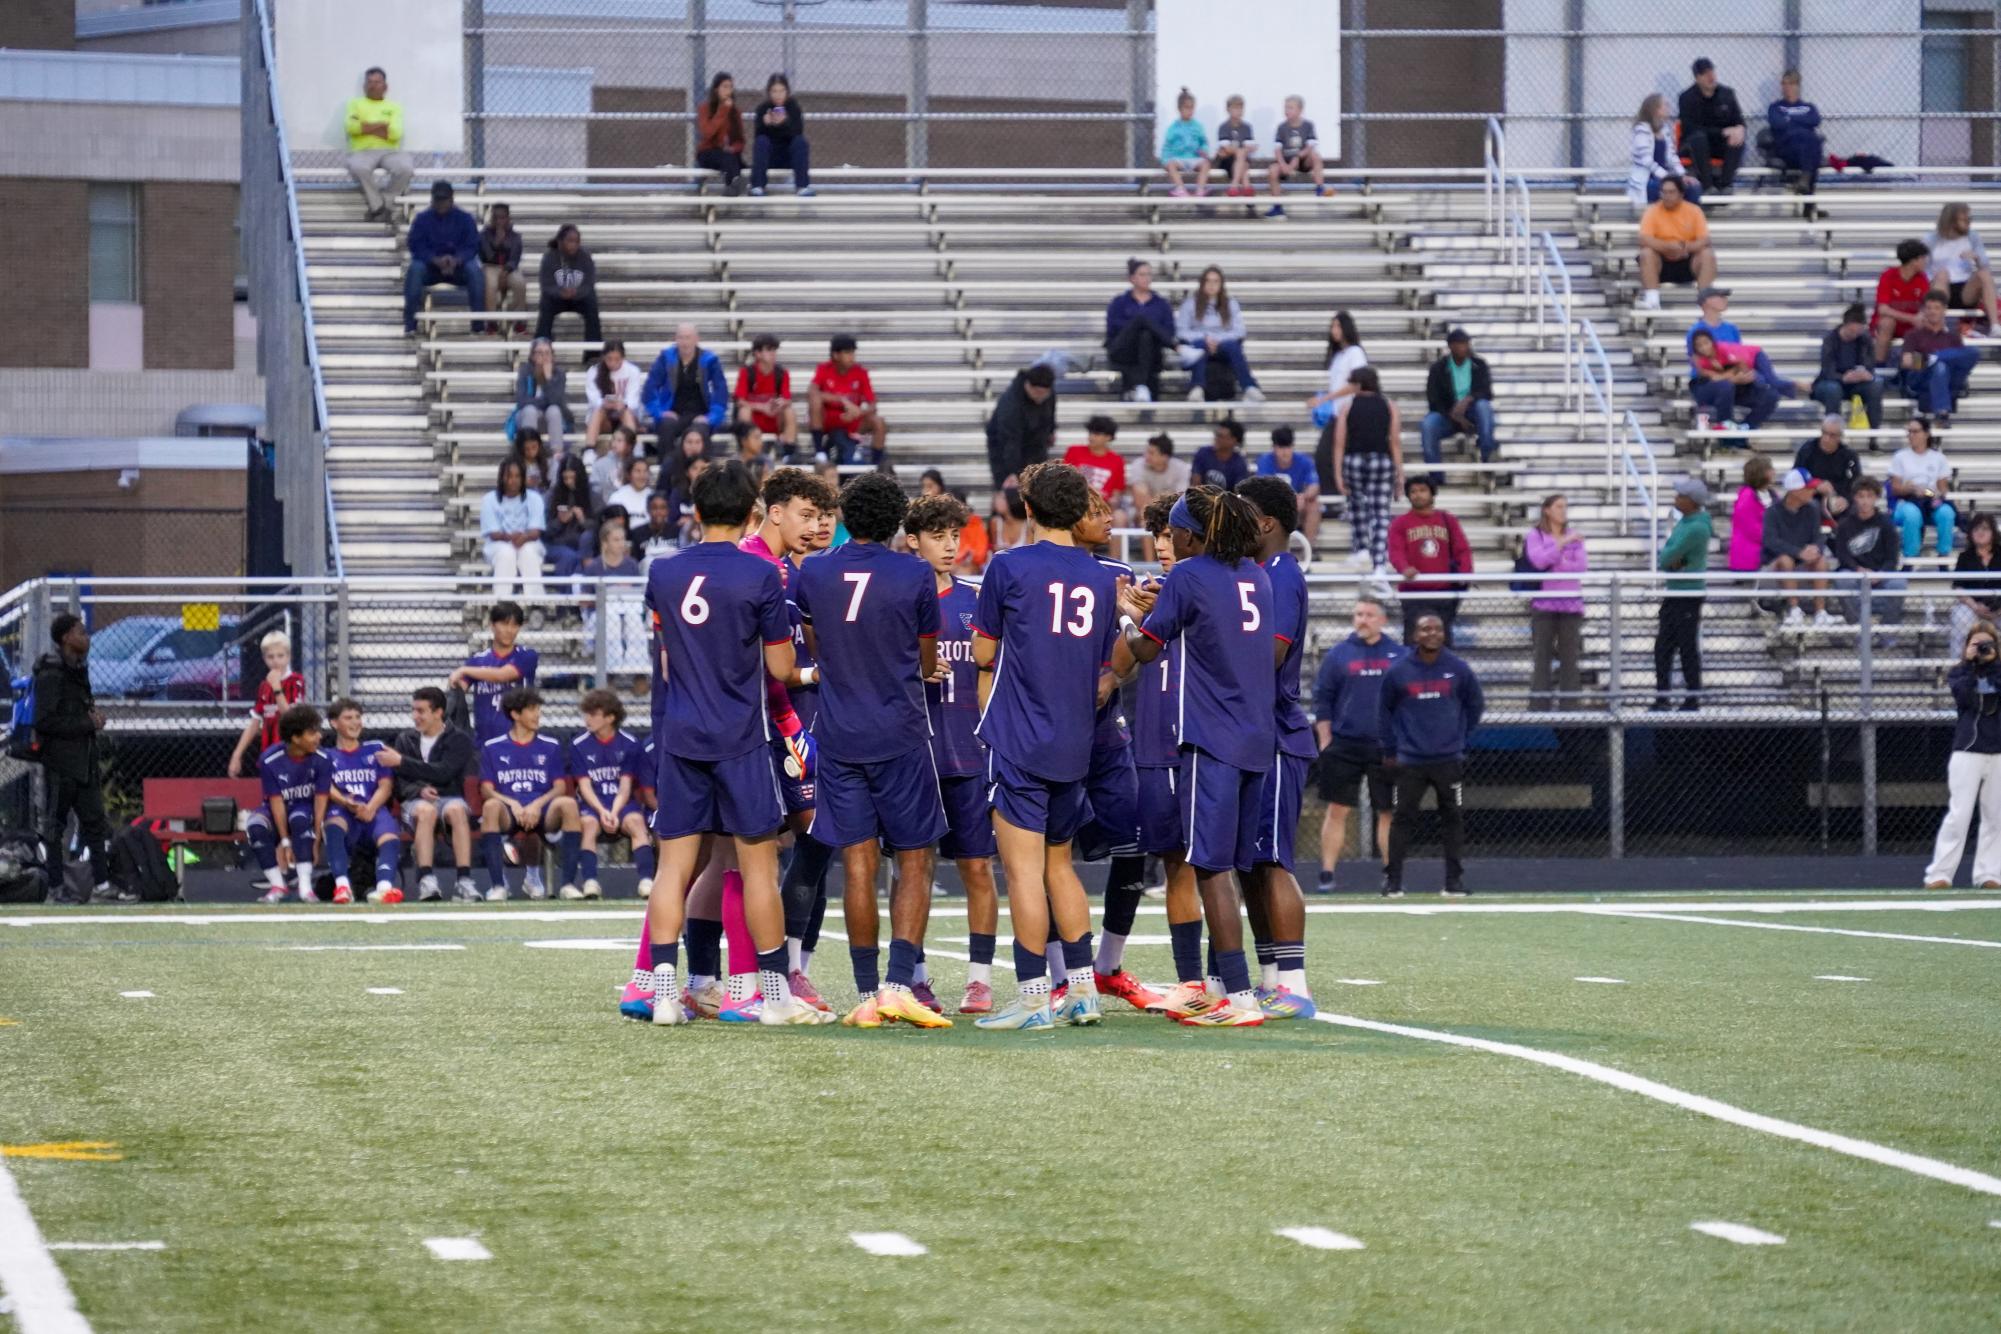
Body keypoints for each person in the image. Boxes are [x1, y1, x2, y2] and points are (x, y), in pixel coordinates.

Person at [635, 461, 829, 1027]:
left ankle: (665, 994)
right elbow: (780, 664)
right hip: (742, 736)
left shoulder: (663, 572)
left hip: (682, 733)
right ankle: (772, 997)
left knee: (674, 867)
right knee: (756, 868)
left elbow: (668, 656)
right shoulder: (760, 576)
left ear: (695, 512)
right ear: (751, 512)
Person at [1116, 485, 1279, 1026]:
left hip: (1212, 737)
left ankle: (1236, 994)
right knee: (1230, 866)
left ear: (1192, 533)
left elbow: (1144, 647)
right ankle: (1229, 985)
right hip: (1257, 738)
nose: (1172, 540)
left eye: (1176, 531)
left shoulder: (1189, 574)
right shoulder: (1256, 574)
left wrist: (1125, 614)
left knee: (1207, 867)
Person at [967, 464, 1123, 1031]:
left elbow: (985, 653)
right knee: (1061, 866)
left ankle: (1034, 997)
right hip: (1075, 737)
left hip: (1019, 737)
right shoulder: (1105, 576)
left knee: (1024, 874)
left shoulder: (1007, 566)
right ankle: (1082, 993)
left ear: (1028, 510)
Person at [793, 474, 951, 1030]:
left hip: (839, 732)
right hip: (901, 731)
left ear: (844, 518)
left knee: (857, 863)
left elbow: (816, 646)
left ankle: (864, 992)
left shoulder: (813, 570)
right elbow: (926, 658)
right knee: (915, 858)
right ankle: (896, 984)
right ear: (899, 525)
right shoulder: (914, 573)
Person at [903, 493, 1001, 1014]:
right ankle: (915, 977)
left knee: (978, 869)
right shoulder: (898, 598)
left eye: (953, 536)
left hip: (968, 753)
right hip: (915, 754)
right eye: (937, 536)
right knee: (912, 870)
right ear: (912, 540)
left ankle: (980, 980)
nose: (949, 546)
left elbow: (991, 670)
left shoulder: (976, 599)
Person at [1119, 493, 1212, 1008]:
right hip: (1155, 743)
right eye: (1157, 537)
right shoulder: (1149, 592)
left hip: (1201, 740)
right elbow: (1122, 667)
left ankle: (1236, 973)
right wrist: (1127, 617)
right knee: (1176, 862)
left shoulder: (1211, 589)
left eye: (1171, 534)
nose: (1164, 546)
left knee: (1218, 865)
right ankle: (1192, 978)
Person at [1236, 475, 1320, 1017]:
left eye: (1241, 513)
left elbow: (1267, 655)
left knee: (1271, 859)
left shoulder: (1281, 577)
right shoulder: (1257, 574)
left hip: (1275, 735)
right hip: (1251, 732)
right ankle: (1271, 976)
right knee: (1250, 862)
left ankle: (1294, 982)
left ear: (1265, 523)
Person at [1379, 614, 1484, 897]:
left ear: (1444, 634)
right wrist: (1391, 749)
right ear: (1415, 635)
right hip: (1410, 760)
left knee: (1453, 818)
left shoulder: (1458, 668)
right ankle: (1393, 883)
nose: (1431, 633)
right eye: (1425, 629)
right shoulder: (1399, 670)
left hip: (1448, 759)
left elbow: (1475, 704)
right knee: (1402, 819)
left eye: (1437, 628)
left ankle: (1453, 883)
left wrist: (1459, 737)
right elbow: (1384, 710)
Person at [1313, 597, 1405, 895]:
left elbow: (1407, 700)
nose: (1362, 619)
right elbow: (1322, 699)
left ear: (1382, 620)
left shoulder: (1399, 655)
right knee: (1337, 809)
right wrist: (1326, 740)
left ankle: (1391, 875)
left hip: (1385, 746)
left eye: (1368, 614)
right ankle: (1327, 873)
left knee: (1387, 811)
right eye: (1358, 614)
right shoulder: (1339, 655)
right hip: (1345, 744)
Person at [29, 614, 116, 902]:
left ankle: (103, 886)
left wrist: (92, 719)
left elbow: (75, 713)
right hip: (60, 765)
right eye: (81, 632)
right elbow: (44, 721)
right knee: (54, 827)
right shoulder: (51, 673)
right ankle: (56, 888)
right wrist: (86, 724)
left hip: (84, 762)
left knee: (95, 823)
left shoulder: (78, 670)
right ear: (66, 637)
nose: (86, 636)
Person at [477, 687, 583, 901]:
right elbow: (486, 789)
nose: (537, 715)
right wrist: (513, 804)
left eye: (538, 709)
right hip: (509, 812)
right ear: (515, 714)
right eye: (532, 709)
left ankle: (568, 885)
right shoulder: (492, 747)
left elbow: (560, 787)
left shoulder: (550, 746)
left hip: (544, 811)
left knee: (568, 804)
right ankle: (498, 885)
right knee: (490, 807)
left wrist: (536, 805)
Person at [1923, 618, 2001, 890]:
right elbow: (1964, 697)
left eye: (1986, 645)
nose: (1981, 649)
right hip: (1968, 751)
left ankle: (1989, 874)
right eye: (1975, 644)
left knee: (1996, 816)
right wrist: (1970, 664)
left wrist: (1994, 664)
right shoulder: (1959, 672)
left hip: (1999, 753)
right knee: (1959, 814)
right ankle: (1939, 874)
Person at [382, 686, 478, 902]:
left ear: (438, 712)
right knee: (425, 811)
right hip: (415, 803)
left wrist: (403, 762)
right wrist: (419, 790)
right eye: (414, 710)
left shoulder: (458, 739)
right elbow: (399, 782)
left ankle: (464, 881)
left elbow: (445, 772)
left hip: (450, 798)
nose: (415, 716)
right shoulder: (405, 739)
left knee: (456, 810)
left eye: (421, 711)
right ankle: (427, 880)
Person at [567, 689, 648, 901]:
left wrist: (613, 811)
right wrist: (603, 811)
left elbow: (625, 785)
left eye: (594, 714)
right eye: (587, 713)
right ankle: (591, 882)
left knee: (637, 822)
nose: (588, 719)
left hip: (621, 804)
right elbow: (584, 786)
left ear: (610, 717)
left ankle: (647, 881)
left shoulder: (630, 743)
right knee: (589, 825)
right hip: (593, 804)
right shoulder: (578, 744)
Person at [245, 704, 331, 904]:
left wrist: (317, 839)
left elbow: (320, 801)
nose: (319, 736)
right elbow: (275, 802)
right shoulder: (269, 760)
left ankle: (305, 888)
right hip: (278, 811)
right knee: (255, 825)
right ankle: (277, 885)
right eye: (312, 733)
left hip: (304, 810)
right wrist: (284, 841)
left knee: (300, 818)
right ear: (295, 738)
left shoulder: (323, 759)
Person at [322, 698, 401, 906]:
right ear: (333, 723)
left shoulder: (375, 749)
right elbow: (325, 787)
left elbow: (386, 785)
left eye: (358, 717)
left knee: (389, 836)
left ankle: (385, 888)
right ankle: (342, 886)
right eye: (348, 718)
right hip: (345, 810)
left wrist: (371, 807)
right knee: (333, 825)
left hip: (373, 808)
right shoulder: (326, 756)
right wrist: (346, 802)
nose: (355, 722)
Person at [1332, 366, 1403, 577]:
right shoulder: (1389, 405)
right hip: (1381, 459)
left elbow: (1339, 442)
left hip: (1354, 458)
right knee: (1380, 513)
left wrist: (1337, 473)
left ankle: (1362, 548)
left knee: (1357, 505)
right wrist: (1400, 474)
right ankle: (1379, 563)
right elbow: (1395, 442)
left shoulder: (1348, 406)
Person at [1387, 477, 1470, 644]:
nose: (1418, 495)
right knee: (1413, 643)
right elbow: (1395, 551)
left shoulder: (1448, 520)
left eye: (1422, 490)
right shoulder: (1400, 523)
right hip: (1414, 593)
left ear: (1432, 493)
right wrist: (1404, 568)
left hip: (1444, 592)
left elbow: (1462, 549)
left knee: (1443, 642)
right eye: (1413, 492)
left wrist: (1466, 573)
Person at [1653, 476, 1712, 712]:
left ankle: (1692, 697)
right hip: (1676, 592)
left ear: (1691, 501)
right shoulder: (1685, 523)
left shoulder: (1696, 527)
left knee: (1686, 646)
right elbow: (1667, 558)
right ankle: (1663, 695)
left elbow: (1668, 556)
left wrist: (1671, 560)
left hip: (1687, 594)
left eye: (1680, 496)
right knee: (1663, 648)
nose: (1676, 499)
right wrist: (1671, 560)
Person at [1524, 494, 1588, 711]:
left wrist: (1557, 562)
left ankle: (1570, 706)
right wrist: (1560, 546)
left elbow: (1580, 566)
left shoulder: (1574, 536)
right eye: (1559, 507)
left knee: (1570, 658)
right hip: (1544, 605)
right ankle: (1538, 706)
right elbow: (1538, 561)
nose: (1563, 511)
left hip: (1571, 605)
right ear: (1547, 510)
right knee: (1542, 657)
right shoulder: (1535, 535)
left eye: (1565, 507)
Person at [449, 601, 539, 747]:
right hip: (485, 742)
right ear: (492, 625)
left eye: (515, 625)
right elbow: (460, 688)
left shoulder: (527, 656)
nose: (509, 630)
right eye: (504, 624)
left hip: (519, 741)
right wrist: (455, 684)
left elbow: (503, 675)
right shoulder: (478, 660)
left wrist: (463, 670)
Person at [403, 181, 483, 337]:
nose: (440, 203)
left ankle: (478, 325)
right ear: (432, 199)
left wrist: (457, 259)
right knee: (415, 269)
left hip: (458, 268)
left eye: (444, 199)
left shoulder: (465, 219)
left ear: (451, 199)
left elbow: (472, 246)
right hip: (431, 267)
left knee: (474, 270)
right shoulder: (422, 219)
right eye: (437, 199)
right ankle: (410, 324)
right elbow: (415, 245)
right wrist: (434, 259)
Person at [226, 630, 307, 778]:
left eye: (280, 656)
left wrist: (277, 688)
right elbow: (255, 722)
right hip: (269, 753)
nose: (276, 661)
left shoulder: (296, 681)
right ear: (264, 659)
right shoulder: (264, 686)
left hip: (292, 754)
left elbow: (291, 717)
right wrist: (237, 755)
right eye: (271, 657)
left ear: (288, 657)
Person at [1176, 265, 1263, 402]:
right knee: (1199, 346)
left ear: (1221, 284)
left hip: (1223, 346)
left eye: (1216, 281)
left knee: (1233, 346)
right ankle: (1197, 388)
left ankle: (1249, 387)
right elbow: (1181, 332)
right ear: (1202, 283)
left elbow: (1239, 331)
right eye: (1208, 281)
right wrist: (1205, 338)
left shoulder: (1231, 304)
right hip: (1199, 344)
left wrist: (1216, 340)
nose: (1212, 285)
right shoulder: (1189, 304)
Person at [1420, 328, 1498, 477]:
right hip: (1447, 415)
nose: (1465, 347)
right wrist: (1454, 414)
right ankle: (1436, 477)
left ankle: (1488, 457)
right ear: (1451, 346)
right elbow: (1433, 400)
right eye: (1460, 344)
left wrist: (1468, 400)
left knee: (1483, 406)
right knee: (1427, 425)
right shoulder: (1438, 368)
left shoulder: (1479, 364)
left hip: (1472, 412)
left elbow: (1487, 392)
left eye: (1466, 343)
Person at [1763, 467, 1833, 628]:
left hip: (1804, 559)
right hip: (1776, 564)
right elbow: (1771, 541)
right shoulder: (1772, 512)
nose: (1813, 491)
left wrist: (1815, 549)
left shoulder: (1813, 508)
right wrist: (1798, 552)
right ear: (1795, 491)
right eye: (1808, 488)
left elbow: (1819, 535)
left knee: (1821, 560)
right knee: (1786, 560)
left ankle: (1820, 612)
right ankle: (1794, 610)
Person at [642, 322, 730, 448]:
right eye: (681, 337)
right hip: (672, 413)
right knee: (666, 427)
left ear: (696, 339)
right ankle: (666, 467)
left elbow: (721, 392)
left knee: (700, 432)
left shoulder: (710, 360)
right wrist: (659, 413)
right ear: (676, 339)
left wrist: (711, 417)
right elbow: (650, 388)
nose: (685, 342)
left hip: (701, 413)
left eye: (688, 337)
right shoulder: (665, 358)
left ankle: (702, 467)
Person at [1900, 291, 1982, 424]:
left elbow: (1963, 360)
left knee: (1973, 352)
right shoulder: (1913, 335)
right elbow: (1906, 361)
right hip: (1922, 378)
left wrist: (1934, 358)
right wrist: (1927, 363)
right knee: (1940, 367)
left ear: (1944, 310)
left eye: (1937, 308)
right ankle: (1942, 412)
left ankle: (1935, 357)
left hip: (1950, 379)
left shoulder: (1953, 337)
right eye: (1929, 308)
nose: (1933, 312)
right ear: (1924, 310)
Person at [1831, 477, 1904, 626]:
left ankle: (1888, 630)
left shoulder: (1886, 525)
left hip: (1880, 575)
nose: (1865, 501)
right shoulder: (1844, 525)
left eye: (1869, 496)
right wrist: (1858, 569)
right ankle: (1857, 626)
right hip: (1855, 574)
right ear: (1854, 498)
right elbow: (1842, 555)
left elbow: (1892, 558)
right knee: (1842, 579)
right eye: (1861, 496)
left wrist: (1880, 574)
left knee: (1899, 583)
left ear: (1876, 498)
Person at [343, 67, 412, 222]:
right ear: (364, 86)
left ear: (385, 86)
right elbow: (352, 128)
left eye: (377, 82)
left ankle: (386, 204)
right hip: (362, 151)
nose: (373, 85)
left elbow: (395, 133)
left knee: (405, 168)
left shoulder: (394, 107)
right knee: (359, 167)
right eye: (370, 82)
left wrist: (365, 127)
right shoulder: (355, 104)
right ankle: (378, 207)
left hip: (390, 151)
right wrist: (382, 125)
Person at [579, 518, 647, 675]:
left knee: (633, 619)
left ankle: (638, 670)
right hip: (601, 614)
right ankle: (611, 672)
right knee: (611, 620)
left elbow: (638, 594)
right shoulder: (594, 566)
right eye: (616, 540)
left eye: (623, 539)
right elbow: (584, 599)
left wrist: (626, 590)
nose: (621, 543)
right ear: (605, 543)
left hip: (627, 612)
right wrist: (606, 593)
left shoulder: (631, 565)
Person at [1637, 176, 1715, 310]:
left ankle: (1704, 302)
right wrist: (1668, 247)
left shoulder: (1694, 211)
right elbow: (1645, 239)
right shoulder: (1652, 211)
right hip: (1661, 261)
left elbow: (1704, 240)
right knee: (1646, 253)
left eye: (1671, 192)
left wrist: (1685, 247)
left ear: (1681, 194)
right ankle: (1652, 300)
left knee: (1707, 254)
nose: (1667, 196)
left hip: (1687, 259)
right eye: (1664, 192)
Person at [1105, 259, 1176, 403]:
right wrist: (1138, 326)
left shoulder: (1161, 303)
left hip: (1151, 353)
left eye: (1149, 274)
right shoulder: (1119, 302)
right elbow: (1113, 328)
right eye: (1142, 274)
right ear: (1132, 278)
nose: (1147, 278)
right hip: (1123, 350)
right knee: (1141, 321)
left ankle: (1141, 385)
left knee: (1146, 335)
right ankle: (1177, 347)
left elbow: (1169, 330)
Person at [809, 334, 887, 465]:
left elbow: (872, 404)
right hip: (830, 420)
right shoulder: (824, 369)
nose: (852, 356)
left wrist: (858, 412)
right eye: (847, 352)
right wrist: (842, 401)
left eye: (853, 352)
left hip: (853, 420)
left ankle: (876, 464)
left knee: (879, 422)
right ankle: (819, 452)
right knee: (815, 401)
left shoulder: (860, 372)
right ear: (836, 355)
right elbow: (812, 392)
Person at [1312, 310, 1369, 484]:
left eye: (1337, 325)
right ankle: (1333, 494)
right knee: (1326, 456)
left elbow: (1357, 384)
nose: (1334, 330)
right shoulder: (1338, 355)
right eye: (1332, 326)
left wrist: (1325, 398)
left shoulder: (1355, 353)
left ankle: (1337, 494)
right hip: (1337, 413)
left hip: (1350, 413)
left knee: (1328, 455)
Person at [1688, 329, 1783, 431]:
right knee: (1725, 386)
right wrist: (1733, 378)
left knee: (1771, 395)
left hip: (1737, 387)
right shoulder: (1698, 360)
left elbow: (1743, 366)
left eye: (1706, 343)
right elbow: (1715, 378)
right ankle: (1725, 425)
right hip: (1711, 389)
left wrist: (1739, 375)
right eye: (1699, 345)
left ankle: (1746, 428)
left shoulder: (1725, 350)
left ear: (1712, 342)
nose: (1704, 348)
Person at [986, 363, 1057, 499]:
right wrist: (1012, 472)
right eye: (1037, 392)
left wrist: (1051, 430)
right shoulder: (1011, 404)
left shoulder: (1049, 394)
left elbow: (1051, 412)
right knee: (1009, 491)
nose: (1040, 397)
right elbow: (1009, 442)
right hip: (1005, 446)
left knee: (1037, 485)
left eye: (1044, 393)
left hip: (1036, 442)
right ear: (1028, 385)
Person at [1676, 57, 1745, 194]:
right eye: (1705, 73)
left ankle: (1726, 185)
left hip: (1719, 144)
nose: (1710, 76)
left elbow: (1739, 120)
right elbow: (1689, 129)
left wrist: (1740, 129)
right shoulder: (1686, 98)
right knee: (1699, 138)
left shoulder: (1727, 94)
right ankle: (1708, 187)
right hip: (1694, 146)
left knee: (1737, 139)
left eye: (1711, 71)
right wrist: (1722, 132)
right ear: (1697, 78)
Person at [1889, 417, 1956, 558]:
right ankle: (1910, 555)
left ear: (1926, 434)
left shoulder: (1938, 458)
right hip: (1906, 500)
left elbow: (1943, 488)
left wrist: (1932, 493)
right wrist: (1910, 489)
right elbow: (1895, 488)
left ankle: (1943, 554)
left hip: (1930, 500)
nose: (1911, 435)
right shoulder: (1900, 457)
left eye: (1915, 431)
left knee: (1946, 513)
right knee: (1911, 514)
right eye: (1909, 432)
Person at [480, 458, 546, 599]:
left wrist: (524, 538)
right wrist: (512, 538)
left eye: (517, 476)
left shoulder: (535, 498)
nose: (513, 480)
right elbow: (494, 534)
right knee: (506, 553)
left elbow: (536, 531)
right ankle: (502, 601)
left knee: (528, 552)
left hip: (528, 542)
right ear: (502, 477)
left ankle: (536, 602)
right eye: (509, 476)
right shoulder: (489, 500)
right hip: (498, 545)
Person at [1811, 304, 1885, 430]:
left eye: (1858, 331)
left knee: (1876, 384)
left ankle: (1874, 432)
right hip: (1831, 381)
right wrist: (1844, 378)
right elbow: (1828, 371)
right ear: (1844, 325)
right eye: (1852, 331)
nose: (1855, 335)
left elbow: (1870, 364)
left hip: (1857, 383)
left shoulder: (1865, 339)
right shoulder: (1830, 340)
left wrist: (1865, 374)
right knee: (1833, 389)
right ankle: (1833, 430)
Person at [1928, 201, 1998, 331]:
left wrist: (1976, 258)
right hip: (1940, 288)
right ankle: (1939, 326)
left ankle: (1995, 325)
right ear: (1952, 221)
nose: (1969, 222)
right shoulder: (1932, 239)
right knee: (1942, 274)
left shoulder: (1972, 237)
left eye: (1969, 219)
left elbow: (1985, 265)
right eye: (1965, 219)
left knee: (1984, 274)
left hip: (1965, 289)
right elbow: (1924, 270)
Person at [1628, 92, 1701, 214]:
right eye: (1665, 105)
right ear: (1655, 110)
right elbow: (1646, 161)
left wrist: (1682, 175)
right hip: (1647, 180)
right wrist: (1667, 178)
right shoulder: (1641, 130)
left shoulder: (1665, 129)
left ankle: (1688, 221)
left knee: (1694, 187)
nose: (1668, 108)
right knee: (1672, 190)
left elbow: (1672, 156)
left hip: (1665, 177)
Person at [533, 224, 601, 350]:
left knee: (592, 302)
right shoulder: (549, 257)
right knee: (545, 303)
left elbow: (589, 284)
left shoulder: (585, 257)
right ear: (560, 242)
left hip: (578, 298)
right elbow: (545, 284)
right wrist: (560, 292)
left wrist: (576, 292)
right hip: (557, 299)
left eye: (576, 241)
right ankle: (540, 348)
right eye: (570, 241)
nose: (573, 245)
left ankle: (593, 354)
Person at [733, 333, 799, 456]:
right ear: (757, 354)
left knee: (789, 410)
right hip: (755, 419)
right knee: (744, 411)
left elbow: (787, 399)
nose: (773, 353)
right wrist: (762, 407)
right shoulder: (747, 373)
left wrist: (779, 404)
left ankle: (788, 452)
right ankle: (747, 447)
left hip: (774, 418)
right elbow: (740, 400)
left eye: (774, 349)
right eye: (769, 349)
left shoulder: (781, 373)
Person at [749, 73, 813, 197]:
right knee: (761, 141)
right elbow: (758, 137)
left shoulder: (793, 107)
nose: (778, 95)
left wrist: (784, 122)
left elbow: (797, 132)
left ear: (787, 92)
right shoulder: (763, 108)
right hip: (770, 157)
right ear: (769, 92)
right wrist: (765, 123)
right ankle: (758, 186)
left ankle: (802, 186)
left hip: (789, 157)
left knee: (800, 141)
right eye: (774, 91)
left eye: (781, 91)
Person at [1265, 94, 1328, 217]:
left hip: (1303, 161)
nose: (1286, 111)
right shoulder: (1281, 127)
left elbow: (1310, 145)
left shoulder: (1308, 125)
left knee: (1315, 155)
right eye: (1285, 108)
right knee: (1272, 170)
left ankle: (1320, 188)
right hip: (1287, 161)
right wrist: (1283, 164)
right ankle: (1277, 207)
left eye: (1290, 108)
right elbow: (1277, 149)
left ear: (1300, 110)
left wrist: (1297, 157)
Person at [1257, 426, 1321, 544]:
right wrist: (1288, 500)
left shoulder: (1304, 461)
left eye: (1288, 447)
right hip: (1274, 507)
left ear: (1292, 446)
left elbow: (1314, 485)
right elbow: (1263, 489)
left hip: (1298, 507)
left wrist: (1304, 496)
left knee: (1313, 505)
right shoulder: (1265, 461)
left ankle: (1309, 549)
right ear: (1274, 447)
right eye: (1281, 447)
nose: (1285, 452)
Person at [1874, 239, 1934, 365]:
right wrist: (1911, 318)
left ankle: (1919, 369)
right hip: (1892, 324)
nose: (1925, 262)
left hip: (1910, 325)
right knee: (1887, 323)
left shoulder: (1922, 278)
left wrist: (1921, 316)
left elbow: (1926, 304)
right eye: (1922, 258)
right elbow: (1883, 309)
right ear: (1913, 261)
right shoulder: (1889, 275)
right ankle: (1880, 367)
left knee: (1926, 323)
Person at [1766, 70, 1824, 197]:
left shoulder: (1809, 107)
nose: (1786, 87)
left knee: (1810, 143)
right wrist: (1803, 123)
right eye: (1784, 84)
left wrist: (1790, 119)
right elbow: (1777, 123)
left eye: (1791, 84)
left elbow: (1815, 120)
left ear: (1798, 86)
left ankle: (1804, 180)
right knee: (1807, 139)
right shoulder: (1775, 107)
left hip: (1806, 149)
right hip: (1787, 148)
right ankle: (1809, 206)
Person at [1951, 514, 2001, 658]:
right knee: (1960, 618)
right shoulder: (1965, 557)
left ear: (1993, 532)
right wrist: (1975, 606)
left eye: (1985, 529)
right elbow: (1958, 587)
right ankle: (1958, 666)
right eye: (1976, 529)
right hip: (1972, 607)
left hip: (1999, 608)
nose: (1980, 532)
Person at [1792, 415, 1863, 517]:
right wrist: (1815, 487)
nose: (1826, 439)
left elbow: (1857, 483)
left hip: (1839, 497)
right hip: (1811, 496)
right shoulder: (1807, 450)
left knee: (1855, 508)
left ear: (1840, 436)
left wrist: (1846, 499)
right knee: (1811, 507)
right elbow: (1795, 477)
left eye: (1832, 435)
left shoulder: (1849, 456)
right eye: (1824, 433)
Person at [513, 337, 570, 454]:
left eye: (547, 353)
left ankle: (557, 454)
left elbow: (557, 401)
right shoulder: (525, 371)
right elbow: (521, 401)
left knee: (554, 410)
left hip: (550, 419)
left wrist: (548, 378)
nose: (544, 356)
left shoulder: (559, 374)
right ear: (532, 356)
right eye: (539, 352)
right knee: (530, 410)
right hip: (526, 417)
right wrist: (544, 402)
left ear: (552, 356)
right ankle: (527, 452)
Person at [1064, 415, 1130, 514]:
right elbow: (1064, 480)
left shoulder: (1117, 460)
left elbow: (1117, 491)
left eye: (1096, 434)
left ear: (1108, 437)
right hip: (1075, 503)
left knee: (1119, 516)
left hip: (1102, 508)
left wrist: (1112, 501)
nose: (1091, 437)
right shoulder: (1074, 451)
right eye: (1090, 432)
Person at [583, 342, 642, 453]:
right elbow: (593, 398)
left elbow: (633, 399)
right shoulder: (594, 371)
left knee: (626, 412)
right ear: (604, 357)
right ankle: (589, 450)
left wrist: (622, 404)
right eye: (609, 359)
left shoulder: (633, 371)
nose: (613, 363)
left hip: (624, 418)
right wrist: (604, 403)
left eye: (617, 359)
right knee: (598, 411)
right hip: (604, 420)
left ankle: (636, 449)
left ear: (623, 358)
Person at [696, 71, 747, 193]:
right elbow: (707, 133)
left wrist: (733, 148)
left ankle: (734, 187)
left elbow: (740, 140)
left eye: (730, 87)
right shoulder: (705, 108)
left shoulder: (735, 112)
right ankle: (734, 184)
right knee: (727, 158)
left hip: (730, 154)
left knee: (736, 160)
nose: (728, 91)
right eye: (724, 87)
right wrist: (723, 110)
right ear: (716, 89)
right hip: (709, 152)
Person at [479, 203, 527, 330]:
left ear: (508, 218)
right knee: (491, 282)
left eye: (502, 217)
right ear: (491, 218)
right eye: (496, 217)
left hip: (509, 268)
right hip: (490, 266)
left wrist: (506, 271)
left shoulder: (515, 237)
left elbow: (514, 258)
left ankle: (518, 320)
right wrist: (497, 242)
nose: (499, 221)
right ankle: (492, 321)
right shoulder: (484, 235)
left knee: (520, 282)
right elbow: (487, 256)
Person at [545, 456, 595, 574]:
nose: (569, 482)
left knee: (580, 555)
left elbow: (599, 527)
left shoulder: (592, 495)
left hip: (583, 544)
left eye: (572, 478)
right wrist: (559, 521)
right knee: (570, 557)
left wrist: (583, 520)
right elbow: (545, 530)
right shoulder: (553, 496)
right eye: (565, 478)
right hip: (557, 543)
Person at [1159, 87, 1211, 197]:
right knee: (1170, 165)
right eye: (1187, 108)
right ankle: (1180, 189)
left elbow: (1204, 142)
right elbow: (1167, 146)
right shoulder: (1173, 128)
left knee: (1205, 164)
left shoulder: (1198, 126)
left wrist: (1204, 150)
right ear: (1179, 109)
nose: (1190, 111)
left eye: (1192, 108)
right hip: (1179, 159)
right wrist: (1165, 160)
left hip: (1194, 158)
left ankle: (1200, 190)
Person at [1729, 454, 1776, 575]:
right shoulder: (1746, 497)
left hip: (1768, 550)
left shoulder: (1772, 494)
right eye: (1770, 469)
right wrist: (1776, 539)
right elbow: (1752, 530)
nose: (1774, 472)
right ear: (1761, 473)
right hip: (1750, 555)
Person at [1131, 432, 1191, 517]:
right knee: (1144, 515)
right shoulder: (1138, 465)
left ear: (1164, 456)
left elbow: (1180, 498)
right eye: (1147, 452)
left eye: (1151, 453)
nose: (1146, 456)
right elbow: (1140, 498)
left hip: (1171, 512)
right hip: (1145, 511)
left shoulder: (1181, 468)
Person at [1211, 93, 1257, 196]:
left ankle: (1235, 187)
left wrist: (1241, 150)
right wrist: (1240, 150)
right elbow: (1226, 149)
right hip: (1226, 160)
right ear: (1228, 110)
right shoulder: (1223, 127)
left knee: (1243, 161)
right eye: (1235, 108)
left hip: (1241, 161)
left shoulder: (1247, 127)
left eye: (1240, 108)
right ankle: (1245, 187)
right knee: (1241, 157)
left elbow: (1248, 147)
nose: (1238, 111)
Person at [1191, 418, 1251, 492]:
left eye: (1221, 436)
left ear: (1234, 440)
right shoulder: (1203, 454)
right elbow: (1196, 485)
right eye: (1216, 435)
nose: (1216, 438)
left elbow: (1238, 492)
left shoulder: (1239, 463)